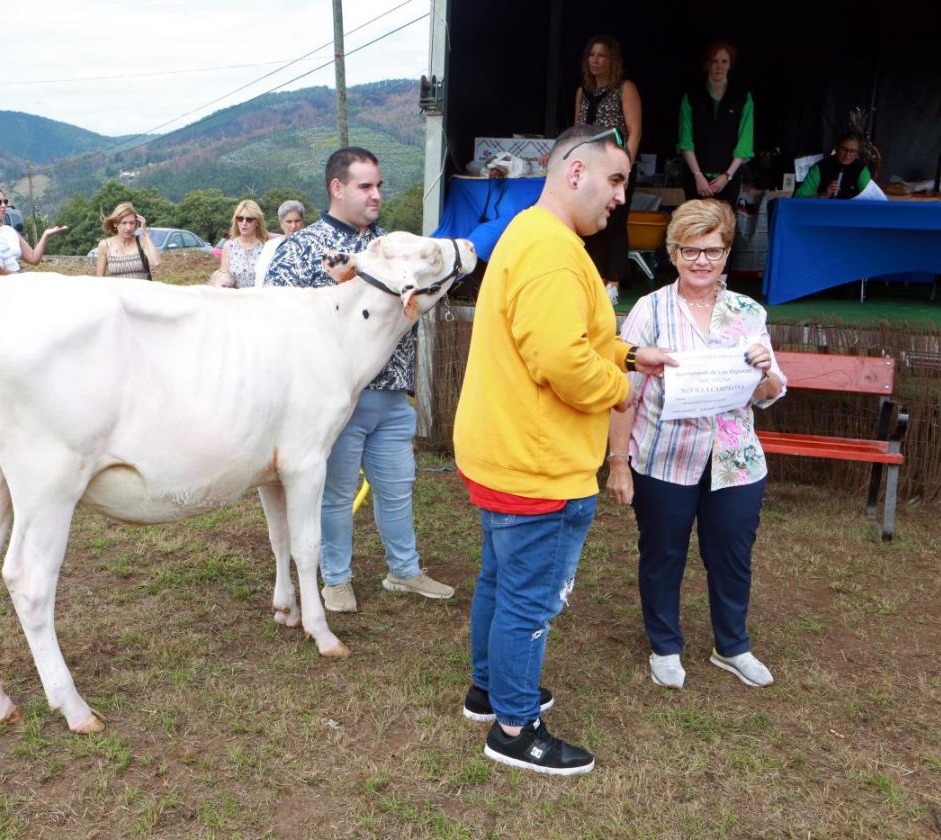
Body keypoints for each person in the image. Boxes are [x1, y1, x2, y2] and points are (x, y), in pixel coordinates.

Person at [452, 124, 674, 776]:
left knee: (500, 581)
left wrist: (631, 351)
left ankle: (489, 691)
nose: (619, 197)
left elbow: (570, 336)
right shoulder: (552, 253)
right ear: (575, 174)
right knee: (529, 601)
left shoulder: (535, 235)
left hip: (506, 452)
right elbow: (564, 362)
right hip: (538, 465)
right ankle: (515, 729)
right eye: (614, 180)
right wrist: (621, 386)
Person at [266, 147, 454, 611]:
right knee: (335, 492)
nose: (377, 195)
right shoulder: (301, 248)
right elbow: (276, 320)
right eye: (365, 186)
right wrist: (334, 289)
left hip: (393, 393)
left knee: (397, 487)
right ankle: (335, 578)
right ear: (337, 188)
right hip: (334, 399)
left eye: (379, 186)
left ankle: (404, 570)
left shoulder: (393, 246)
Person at [607, 199, 785, 691]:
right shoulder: (651, 309)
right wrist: (618, 463)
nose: (701, 261)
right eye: (690, 250)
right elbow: (625, 392)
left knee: (731, 553)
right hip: (664, 456)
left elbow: (771, 394)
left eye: (711, 250)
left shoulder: (747, 313)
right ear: (674, 252)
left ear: (727, 252)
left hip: (734, 459)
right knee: (663, 552)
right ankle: (665, 645)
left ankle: (732, 646)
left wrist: (765, 368)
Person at [573, 35, 642, 306]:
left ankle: (613, 281)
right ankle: (594, 279)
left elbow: (634, 131)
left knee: (614, 224)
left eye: (601, 55)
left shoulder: (625, 88)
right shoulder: (582, 91)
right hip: (589, 169)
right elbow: (577, 132)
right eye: (591, 55)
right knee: (591, 224)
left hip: (615, 169)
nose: (595, 60)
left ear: (612, 60)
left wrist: (626, 169)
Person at [678, 41, 754, 207]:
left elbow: (744, 143)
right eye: (714, 61)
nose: (719, 66)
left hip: (728, 178)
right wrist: (698, 175)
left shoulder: (742, 97)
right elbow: (686, 141)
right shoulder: (692, 96)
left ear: (730, 65)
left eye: (724, 61)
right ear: (707, 64)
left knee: (724, 227)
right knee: (696, 226)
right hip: (696, 177)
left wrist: (727, 176)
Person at [0, 186, 67, 268]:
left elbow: (33, 258)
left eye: (5, 202)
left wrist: (46, 235)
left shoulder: (10, 231)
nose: (4, 205)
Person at [794, 131, 872, 199]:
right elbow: (799, 198)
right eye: (844, 149)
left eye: (852, 151)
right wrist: (824, 195)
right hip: (823, 212)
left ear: (858, 152)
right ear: (836, 148)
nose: (847, 155)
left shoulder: (861, 170)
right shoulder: (819, 168)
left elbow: (871, 198)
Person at [95, 202, 161, 280]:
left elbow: (156, 263)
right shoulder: (105, 245)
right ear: (115, 224)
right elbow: (99, 279)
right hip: (117, 292)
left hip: (141, 291)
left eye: (132, 223)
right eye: (124, 223)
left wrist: (145, 234)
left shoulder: (141, 241)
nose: (128, 227)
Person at [253, 199, 307, 288]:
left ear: (303, 221)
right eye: (289, 222)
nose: (293, 226)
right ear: (281, 223)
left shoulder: (312, 246)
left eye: (297, 221)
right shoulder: (270, 246)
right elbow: (260, 277)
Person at [220, 199, 269, 289]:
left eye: (249, 219)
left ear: (257, 222)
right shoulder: (229, 246)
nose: (244, 223)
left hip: (260, 298)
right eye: (240, 218)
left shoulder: (267, 247)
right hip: (235, 298)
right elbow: (225, 274)